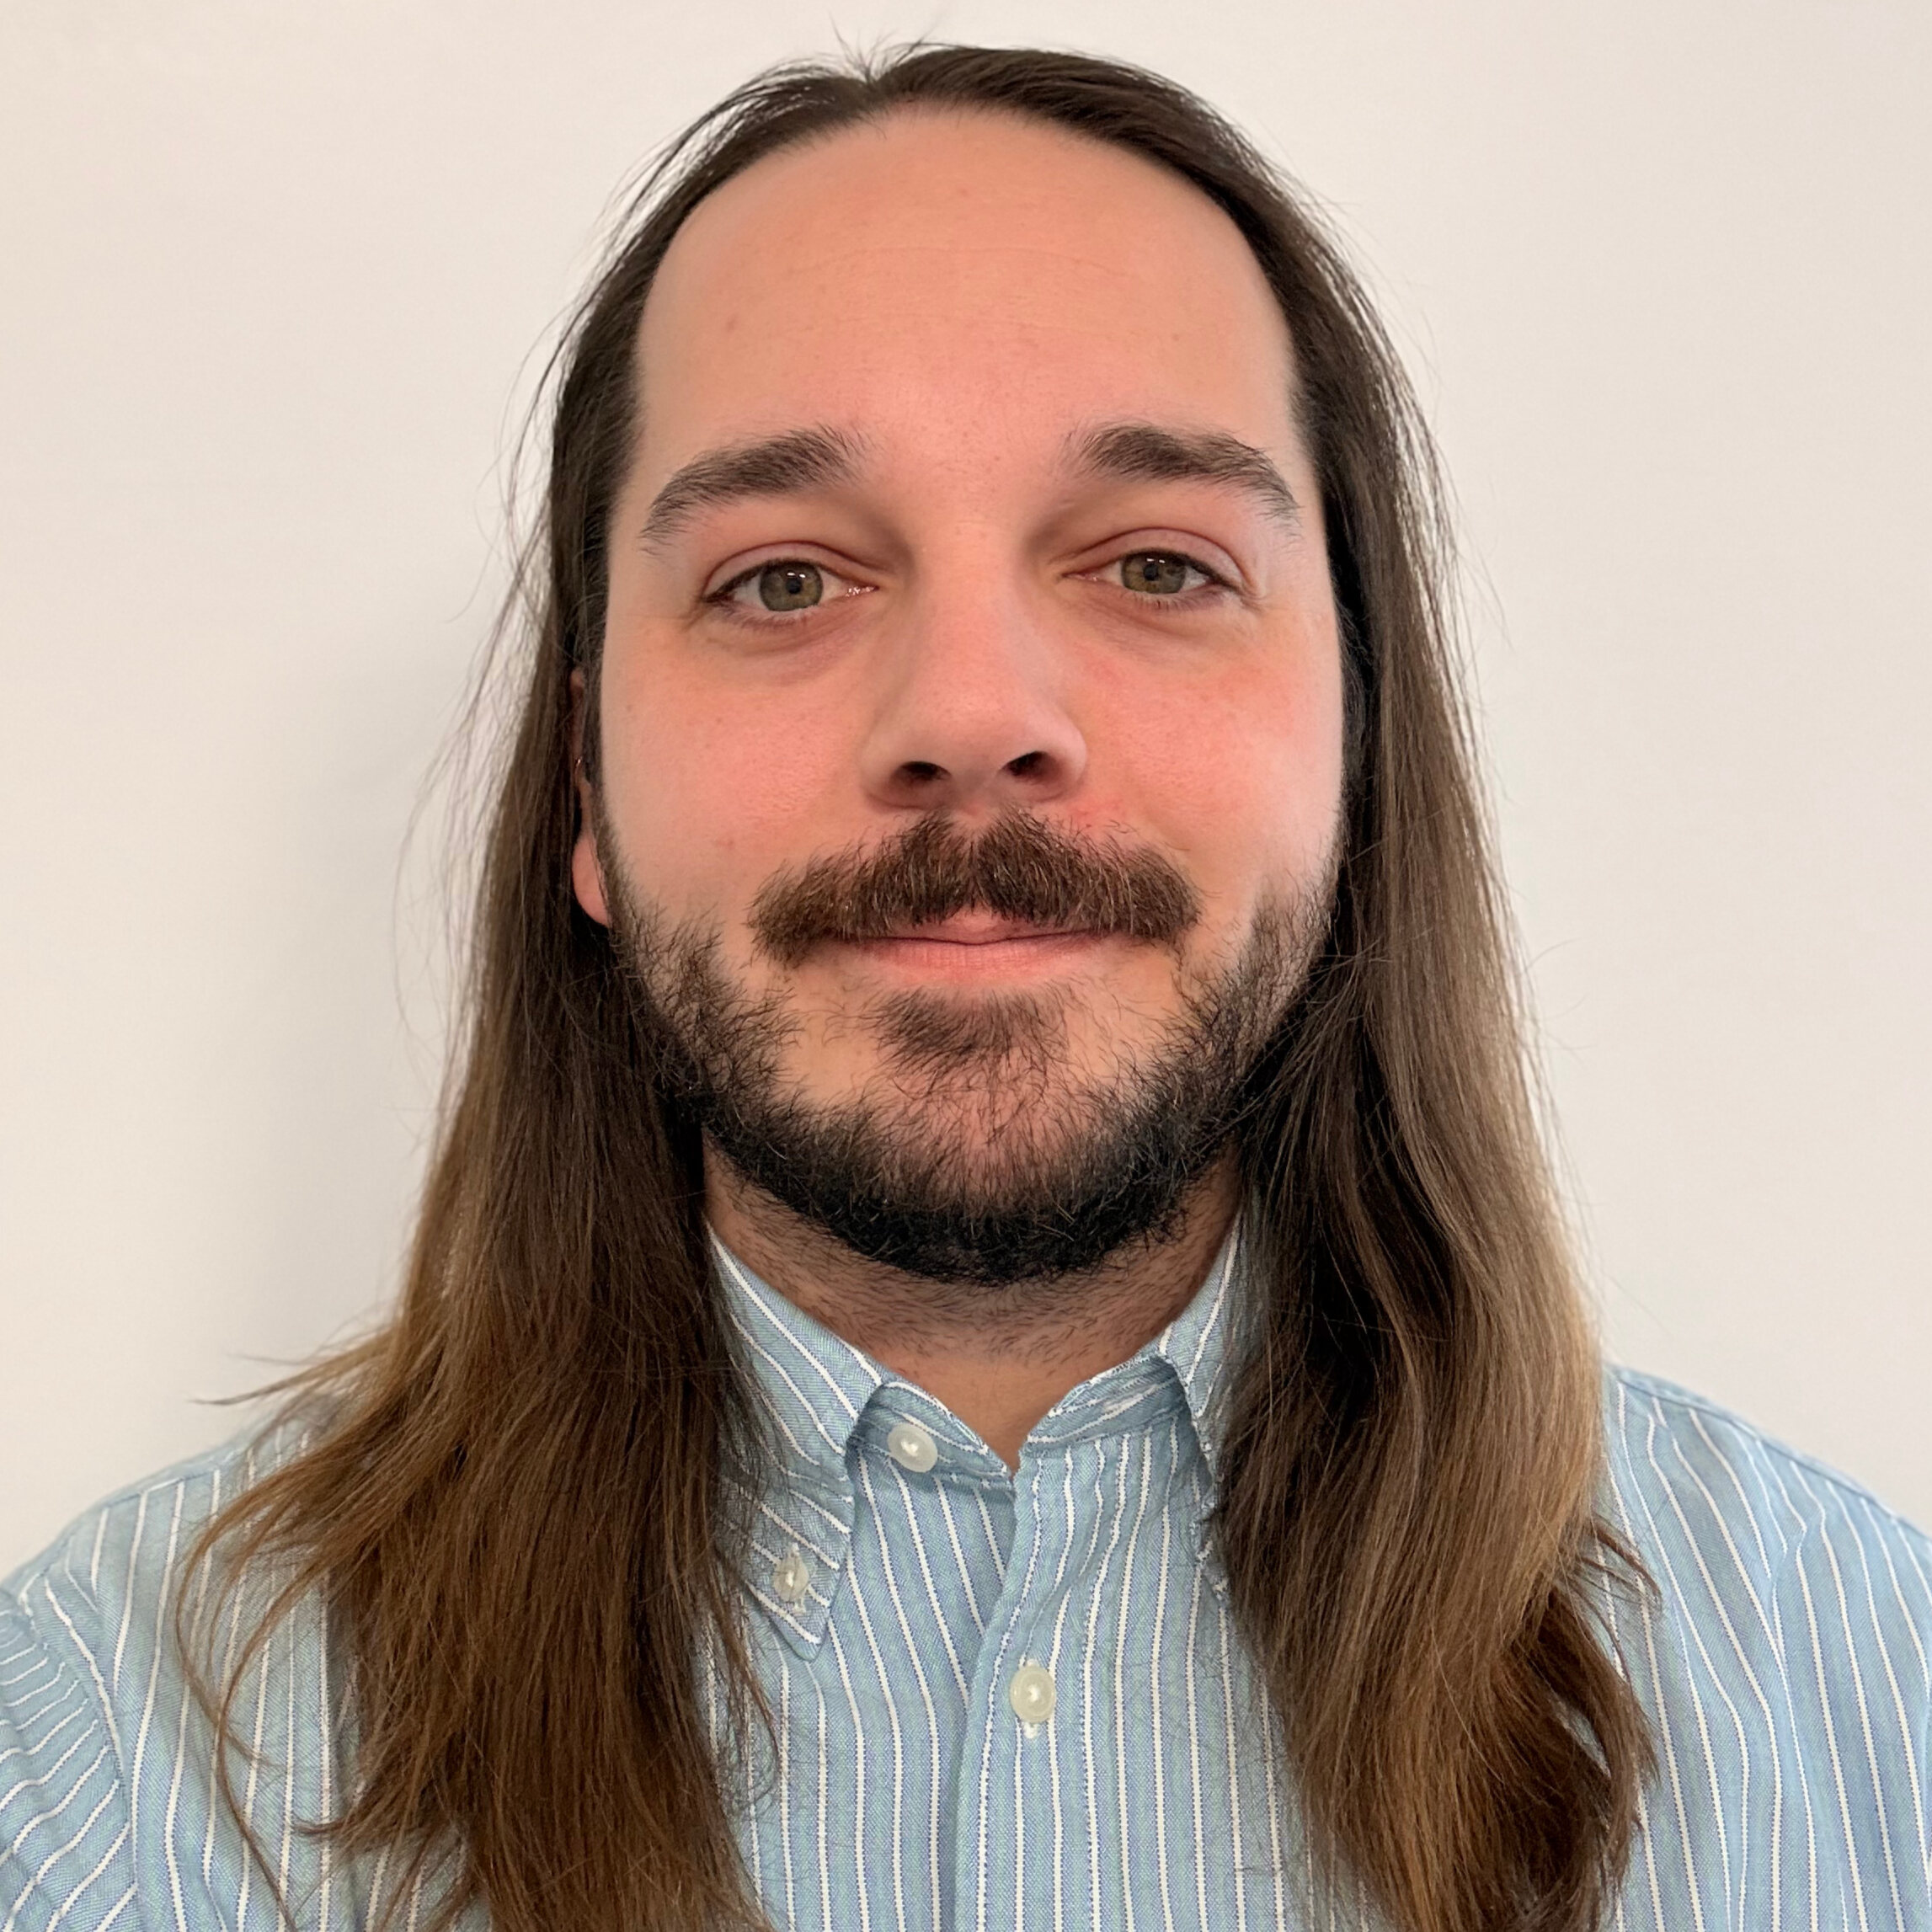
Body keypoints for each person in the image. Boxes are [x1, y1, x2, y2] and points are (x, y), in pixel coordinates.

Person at [3, 42, 1926, 1932]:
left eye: (1157, 565)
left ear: (1359, 747)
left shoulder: (1875, 1706)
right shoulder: (115, 1743)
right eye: (782, 581)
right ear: (584, 783)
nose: (973, 717)